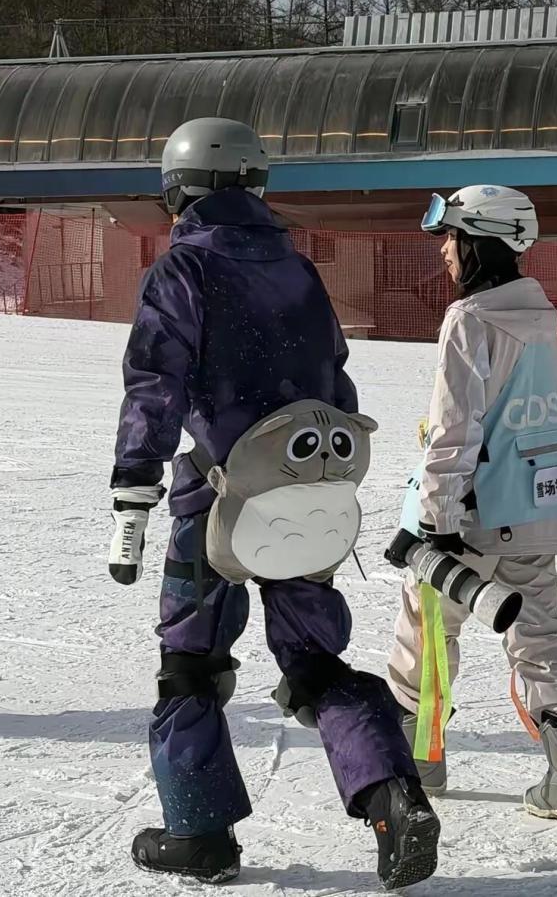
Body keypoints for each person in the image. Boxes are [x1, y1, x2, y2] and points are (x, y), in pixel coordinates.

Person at [108, 117, 438, 888]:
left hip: (218, 497)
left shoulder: (182, 269)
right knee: (317, 662)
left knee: (189, 662)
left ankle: (199, 832)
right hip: (309, 489)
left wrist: (133, 487)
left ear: (180, 186)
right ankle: (393, 795)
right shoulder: (299, 270)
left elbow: (155, 382)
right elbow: (336, 377)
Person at [387, 185, 557, 826]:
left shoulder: (469, 319)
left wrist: (434, 517)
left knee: (427, 623)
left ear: (481, 240)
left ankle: (419, 760)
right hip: (535, 503)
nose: (446, 252)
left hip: (475, 510)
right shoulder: (541, 316)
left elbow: (454, 428)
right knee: (540, 630)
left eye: (452, 237)